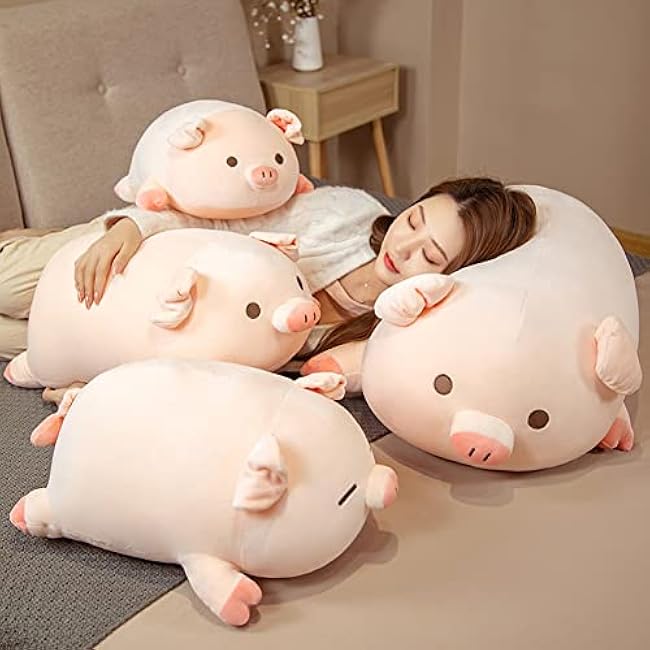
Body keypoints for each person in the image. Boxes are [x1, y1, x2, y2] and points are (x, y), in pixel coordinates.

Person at [0, 177, 536, 396]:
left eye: (431, 256)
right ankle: (31, 240)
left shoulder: (390, 334)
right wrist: (130, 228)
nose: (404, 246)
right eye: (413, 219)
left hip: (145, 327)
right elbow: (217, 218)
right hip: (140, 252)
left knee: (15, 341)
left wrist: (99, 385)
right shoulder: (343, 212)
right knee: (8, 287)